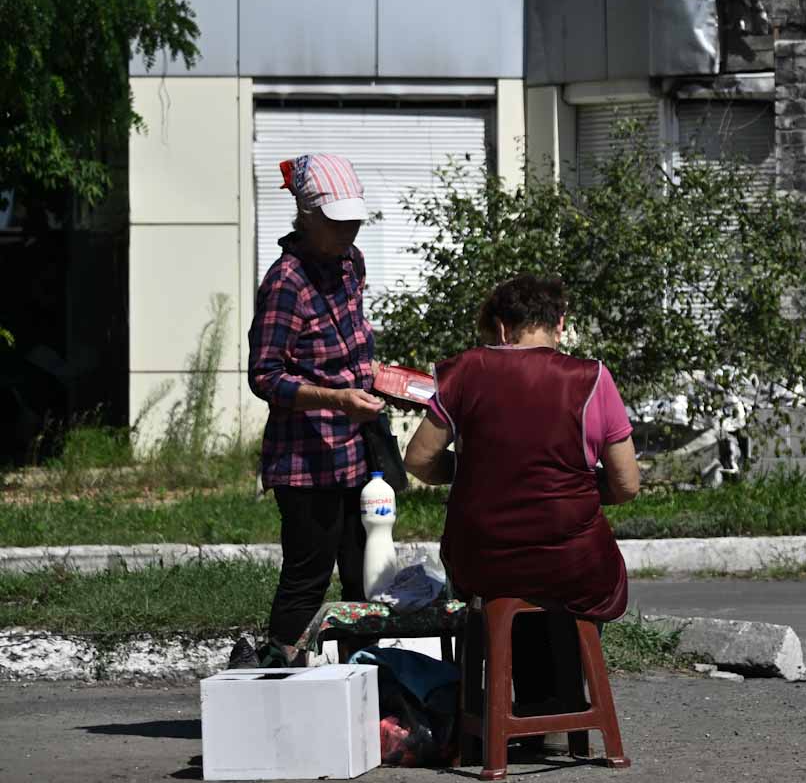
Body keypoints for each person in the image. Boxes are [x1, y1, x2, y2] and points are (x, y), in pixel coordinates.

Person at [404, 275, 640, 709]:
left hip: (483, 562)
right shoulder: (592, 379)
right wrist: (574, 487)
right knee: (571, 576)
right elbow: (627, 484)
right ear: (560, 323)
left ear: (500, 327)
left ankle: (492, 710)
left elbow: (418, 460)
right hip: (572, 563)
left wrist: (465, 469)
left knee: (503, 585)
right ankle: (561, 701)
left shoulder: (465, 371)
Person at [247, 153, 385, 665]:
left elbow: (351, 347)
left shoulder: (352, 263)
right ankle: (280, 677)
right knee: (308, 575)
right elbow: (264, 376)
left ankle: (363, 686)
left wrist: (380, 378)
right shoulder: (286, 281)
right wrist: (336, 398)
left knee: (364, 573)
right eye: (336, 220)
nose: (347, 228)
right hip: (305, 462)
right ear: (306, 217)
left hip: (356, 452)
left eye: (353, 218)